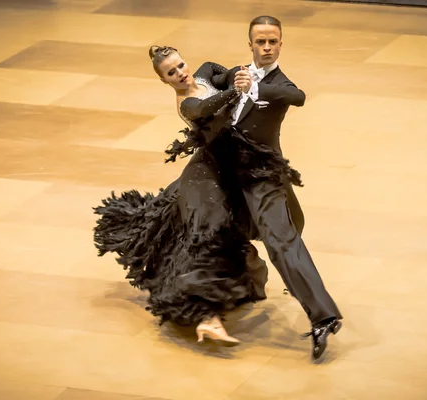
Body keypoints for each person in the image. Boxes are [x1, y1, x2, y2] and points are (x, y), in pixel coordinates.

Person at [93, 45, 299, 346]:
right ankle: (206, 317)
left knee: (231, 237)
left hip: (226, 169)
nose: (180, 73)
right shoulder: (186, 103)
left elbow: (217, 67)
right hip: (204, 176)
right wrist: (238, 89)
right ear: (164, 80)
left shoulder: (203, 75)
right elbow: (208, 107)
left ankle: (218, 307)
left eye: (180, 65)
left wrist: (235, 76)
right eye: (171, 73)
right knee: (208, 235)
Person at [208, 15, 344, 361]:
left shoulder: (280, 85)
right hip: (224, 175)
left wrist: (252, 89)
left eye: (273, 42)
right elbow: (208, 73)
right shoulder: (237, 73)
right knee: (208, 230)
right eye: (260, 42)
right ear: (250, 44)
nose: (267, 47)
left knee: (281, 242)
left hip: (262, 176)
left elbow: (296, 96)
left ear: (280, 44)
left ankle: (323, 317)